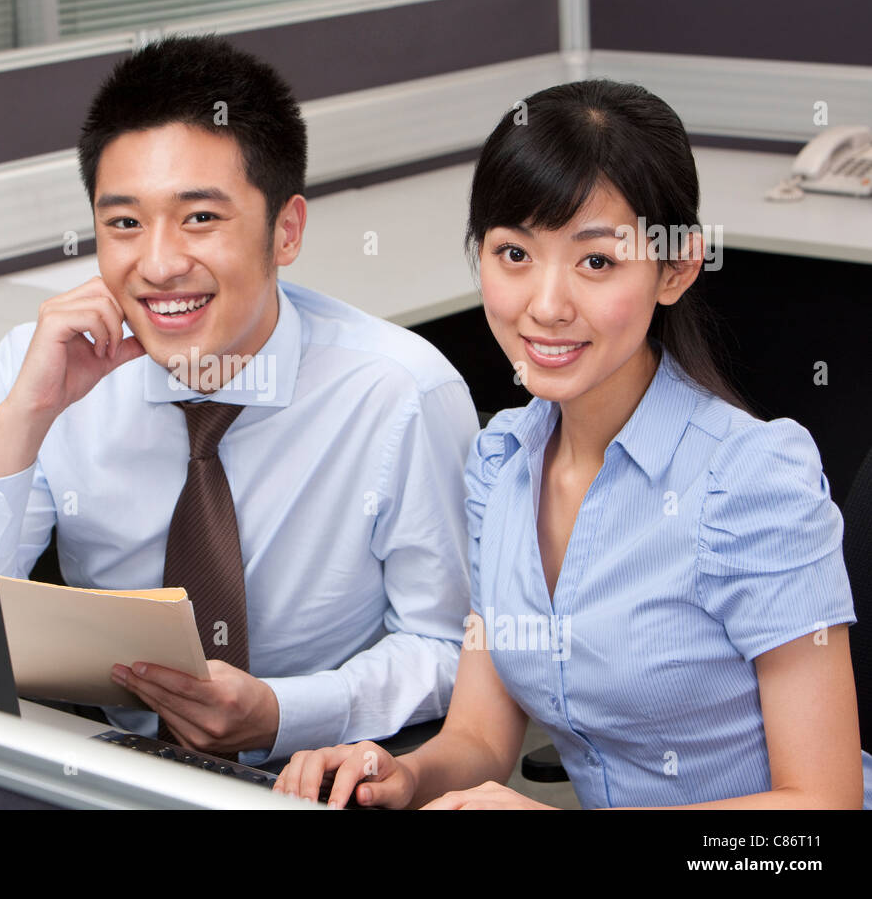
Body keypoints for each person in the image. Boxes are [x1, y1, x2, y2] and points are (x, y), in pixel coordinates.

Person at [275, 78, 871, 808]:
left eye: (597, 262)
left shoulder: (750, 480)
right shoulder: (502, 465)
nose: (546, 307)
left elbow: (820, 813)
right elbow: (482, 741)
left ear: (677, 268)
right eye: (514, 255)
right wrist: (400, 774)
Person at [0, 34, 479, 766]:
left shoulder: (399, 393)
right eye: (124, 223)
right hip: (117, 769)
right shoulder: (39, 368)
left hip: (320, 774)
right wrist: (24, 422)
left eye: (200, 218)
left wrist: (285, 713)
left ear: (286, 231)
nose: (159, 264)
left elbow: (450, 646)